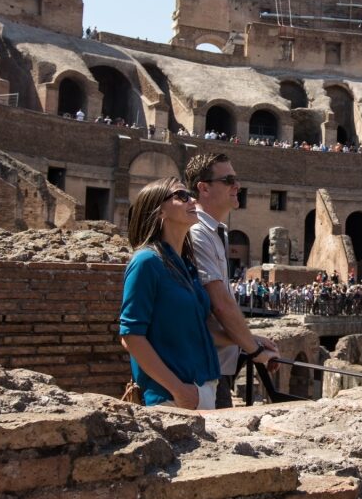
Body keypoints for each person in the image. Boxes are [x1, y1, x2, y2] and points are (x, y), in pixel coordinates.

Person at [186, 153, 279, 408]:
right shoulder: (197, 233)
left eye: (235, 179)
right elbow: (220, 305)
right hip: (205, 367)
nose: (237, 186)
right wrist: (254, 350)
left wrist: (249, 338)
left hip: (220, 362)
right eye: (228, 180)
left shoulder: (217, 232)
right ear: (203, 188)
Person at [118, 177, 220, 409]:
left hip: (201, 387)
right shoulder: (146, 262)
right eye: (181, 196)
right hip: (170, 397)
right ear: (159, 211)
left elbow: (199, 327)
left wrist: (251, 343)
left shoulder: (186, 265)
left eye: (190, 195)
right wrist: (178, 389)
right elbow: (131, 336)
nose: (192, 200)